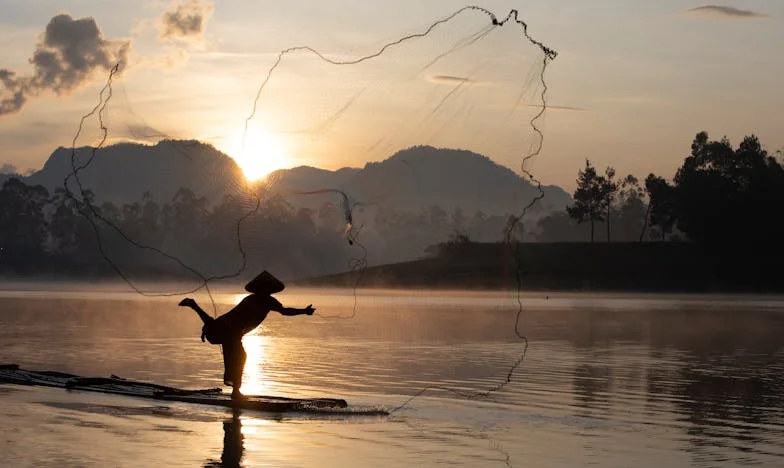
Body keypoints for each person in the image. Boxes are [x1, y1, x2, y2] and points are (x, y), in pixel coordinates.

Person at [178, 271, 315, 399]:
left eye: (267, 289)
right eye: (263, 288)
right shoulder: (254, 300)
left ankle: (235, 391)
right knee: (240, 356)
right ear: (259, 289)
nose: (265, 291)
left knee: (239, 355)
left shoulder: (268, 301)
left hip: (231, 332)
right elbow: (234, 317)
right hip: (228, 330)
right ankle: (236, 392)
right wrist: (304, 311)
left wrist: (304, 311)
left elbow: (285, 311)